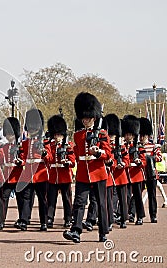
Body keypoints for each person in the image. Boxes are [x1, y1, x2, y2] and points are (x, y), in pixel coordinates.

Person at [63, 92, 111, 243]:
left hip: (98, 172)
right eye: (83, 118)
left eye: (88, 118)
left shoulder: (102, 134)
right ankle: (76, 231)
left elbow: (108, 154)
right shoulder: (78, 135)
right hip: (83, 173)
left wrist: (98, 153)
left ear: (94, 118)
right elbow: (77, 153)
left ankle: (103, 232)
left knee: (101, 203)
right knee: (79, 202)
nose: (85, 121)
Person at [0, 117, 23, 230]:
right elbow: (0, 158)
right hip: (7, 177)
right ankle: (0, 221)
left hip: (17, 176)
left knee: (21, 200)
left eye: (11, 135)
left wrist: (20, 162)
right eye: (7, 135)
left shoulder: (20, 147)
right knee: (3, 199)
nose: (9, 137)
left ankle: (22, 220)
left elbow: (24, 159)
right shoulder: (4, 147)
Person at [46, 114, 75, 229]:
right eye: (56, 135)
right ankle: (49, 218)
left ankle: (68, 218)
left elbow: (72, 161)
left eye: (59, 135)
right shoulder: (50, 145)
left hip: (64, 175)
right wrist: (44, 155)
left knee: (67, 199)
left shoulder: (68, 145)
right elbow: (48, 158)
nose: (57, 137)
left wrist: (67, 162)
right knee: (51, 199)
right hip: (53, 175)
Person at [122, 115, 146, 225]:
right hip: (125, 174)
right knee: (125, 196)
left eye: (130, 135)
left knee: (137, 197)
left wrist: (139, 162)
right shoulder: (122, 147)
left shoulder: (139, 147)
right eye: (126, 134)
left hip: (136, 174)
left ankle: (140, 216)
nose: (128, 136)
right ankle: (125, 215)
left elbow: (144, 161)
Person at [139, 117, 161, 223]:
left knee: (152, 195)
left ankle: (153, 215)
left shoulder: (153, 146)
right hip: (140, 174)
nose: (141, 137)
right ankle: (138, 215)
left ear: (147, 135)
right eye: (140, 135)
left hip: (151, 174)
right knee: (137, 195)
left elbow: (159, 157)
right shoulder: (137, 146)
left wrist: (148, 158)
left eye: (143, 135)